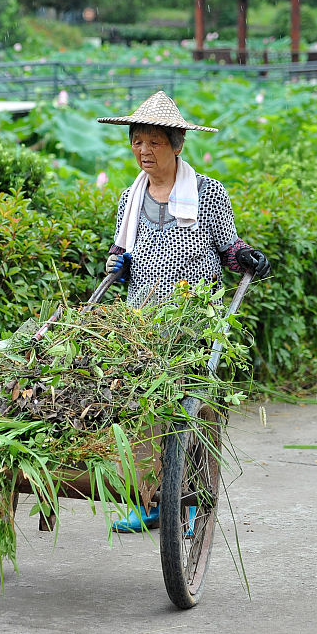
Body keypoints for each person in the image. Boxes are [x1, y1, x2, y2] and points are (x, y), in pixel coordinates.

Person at [96, 90, 271, 532]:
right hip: (142, 323)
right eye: (137, 141)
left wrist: (248, 258)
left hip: (195, 321)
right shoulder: (129, 198)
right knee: (141, 408)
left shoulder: (209, 193)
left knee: (188, 410)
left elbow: (229, 251)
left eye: (154, 142)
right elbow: (121, 252)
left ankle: (189, 501)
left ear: (177, 144)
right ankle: (151, 501)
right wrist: (115, 263)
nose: (143, 151)